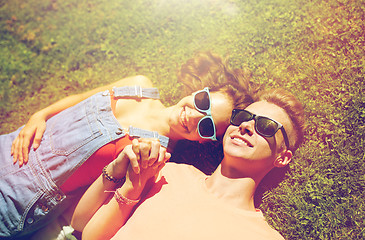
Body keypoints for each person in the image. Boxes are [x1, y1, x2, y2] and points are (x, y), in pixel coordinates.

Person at [0, 52, 259, 239]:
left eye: (206, 125)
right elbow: (82, 99)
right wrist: (40, 115)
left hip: (18, 202)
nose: (192, 116)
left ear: (204, 140)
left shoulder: (154, 158)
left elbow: (84, 215)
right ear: (200, 90)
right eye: (203, 102)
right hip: (9, 145)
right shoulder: (140, 85)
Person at [72, 88, 306, 240]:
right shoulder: (167, 172)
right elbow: (83, 228)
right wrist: (124, 175)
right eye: (243, 118)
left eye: (265, 126)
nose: (246, 126)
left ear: (282, 158)